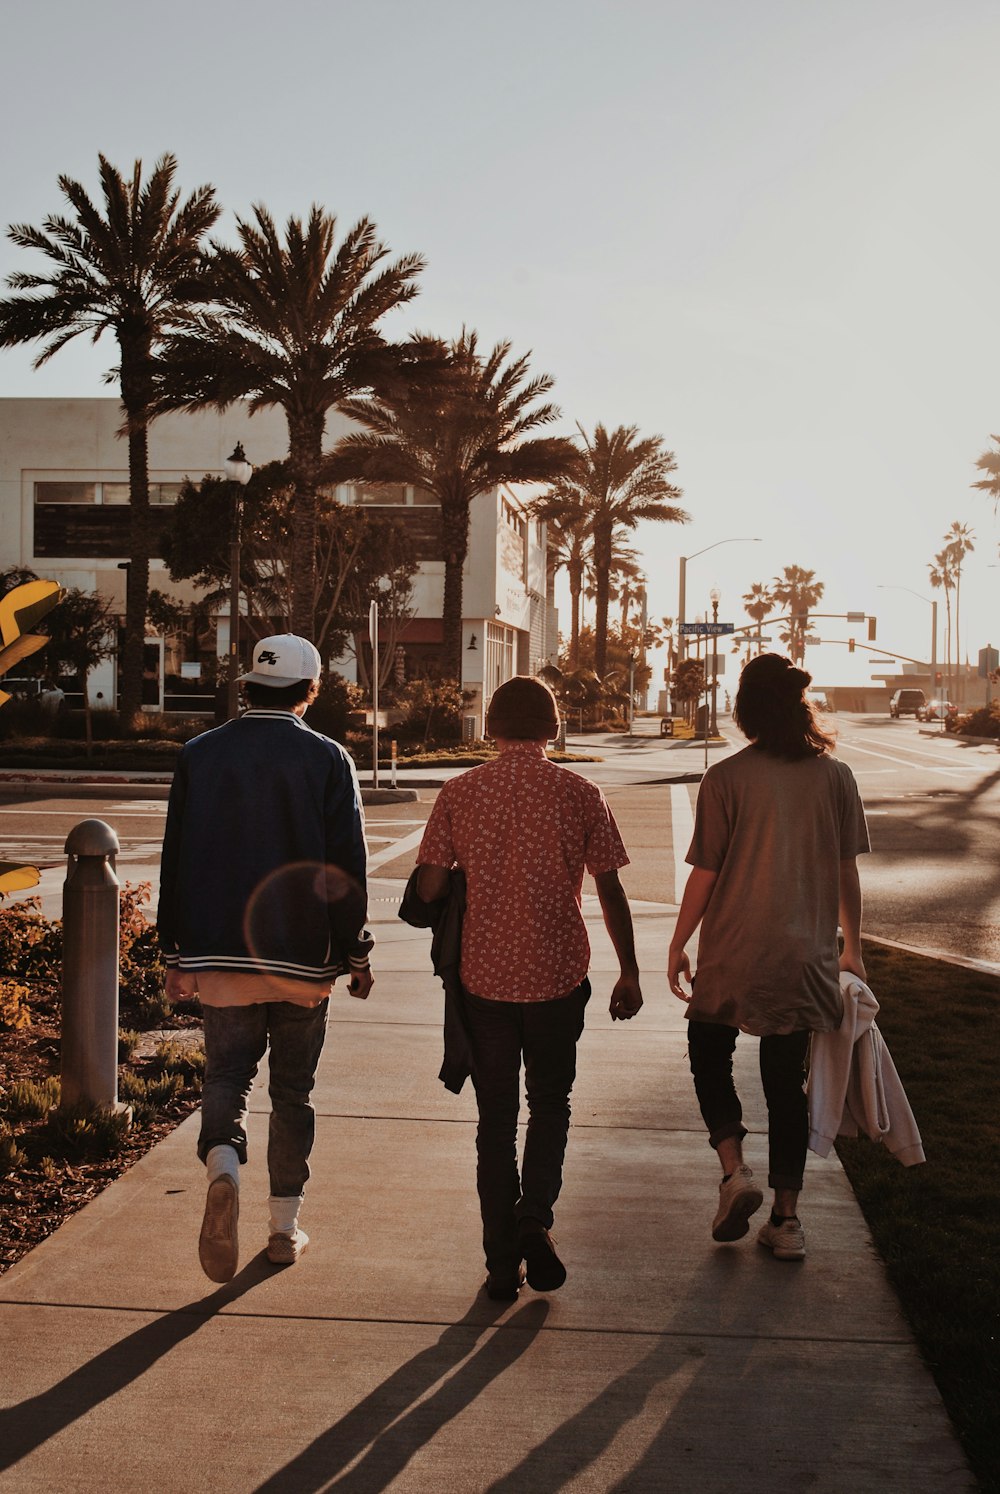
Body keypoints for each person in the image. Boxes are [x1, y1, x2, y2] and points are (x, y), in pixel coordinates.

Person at [416, 675, 643, 1301]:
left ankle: (499, 1265)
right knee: (551, 1103)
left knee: (496, 1119)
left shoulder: (460, 792)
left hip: (484, 981)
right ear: (552, 728)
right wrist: (629, 970)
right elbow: (610, 887)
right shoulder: (579, 792)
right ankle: (534, 1218)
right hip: (557, 976)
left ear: (491, 728)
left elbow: (431, 888)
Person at [157, 634, 373, 1283]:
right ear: (311, 691)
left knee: (227, 1077)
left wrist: (175, 954)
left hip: (220, 956)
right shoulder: (328, 759)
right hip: (303, 960)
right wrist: (355, 951)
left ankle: (223, 1160)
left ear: (246, 687)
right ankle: (284, 1228)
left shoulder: (199, 755)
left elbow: (176, 861)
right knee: (292, 1092)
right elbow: (345, 868)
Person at [667, 653, 869, 1261]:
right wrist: (851, 951)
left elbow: (706, 873)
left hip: (732, 950)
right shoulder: (836, 778)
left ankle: (734, 1171)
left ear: (746, 711)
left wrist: (678, 943)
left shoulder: (725, 778)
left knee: (708, 1052)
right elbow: (845, 874)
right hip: (805, 955)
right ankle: (786, 1221)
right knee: (786, 1085)